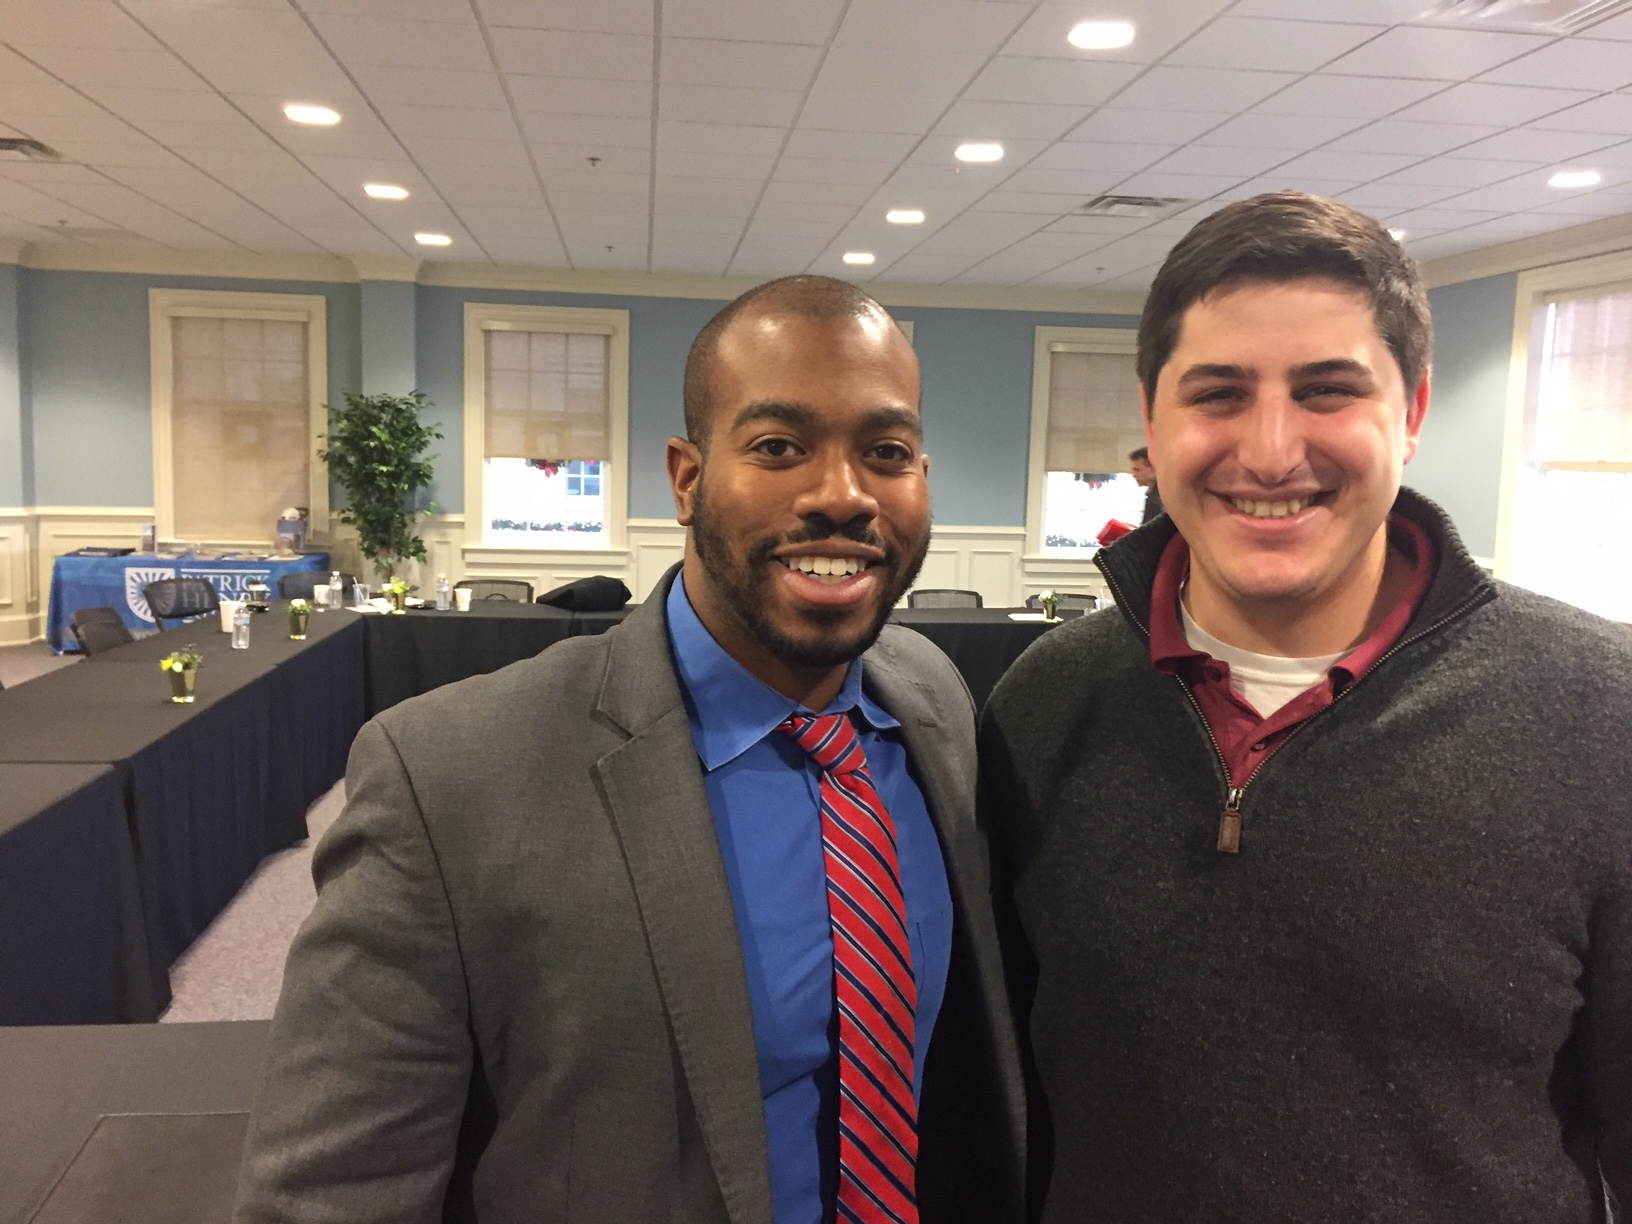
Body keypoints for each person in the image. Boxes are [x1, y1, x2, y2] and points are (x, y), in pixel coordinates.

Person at [234, 275, 1024, 1224]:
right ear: (687, 480)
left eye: (885, 452)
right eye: (779, 446)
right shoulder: (446, 779)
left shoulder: (933, 701)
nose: (842, 495)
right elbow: (330, 1196)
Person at [981, 192, 1632, 1222]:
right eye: (1220, 394)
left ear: (1411, 413)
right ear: (1152, 419)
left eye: (1327, 390)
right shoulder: (1044, 704)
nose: (1273, 451)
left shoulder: (1603, 715)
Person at [1127, 445, 1163, 523]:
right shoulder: (1157, 494)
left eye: (1137, 470)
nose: (1133, 475)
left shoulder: (1160, 498)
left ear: (1154, 469)